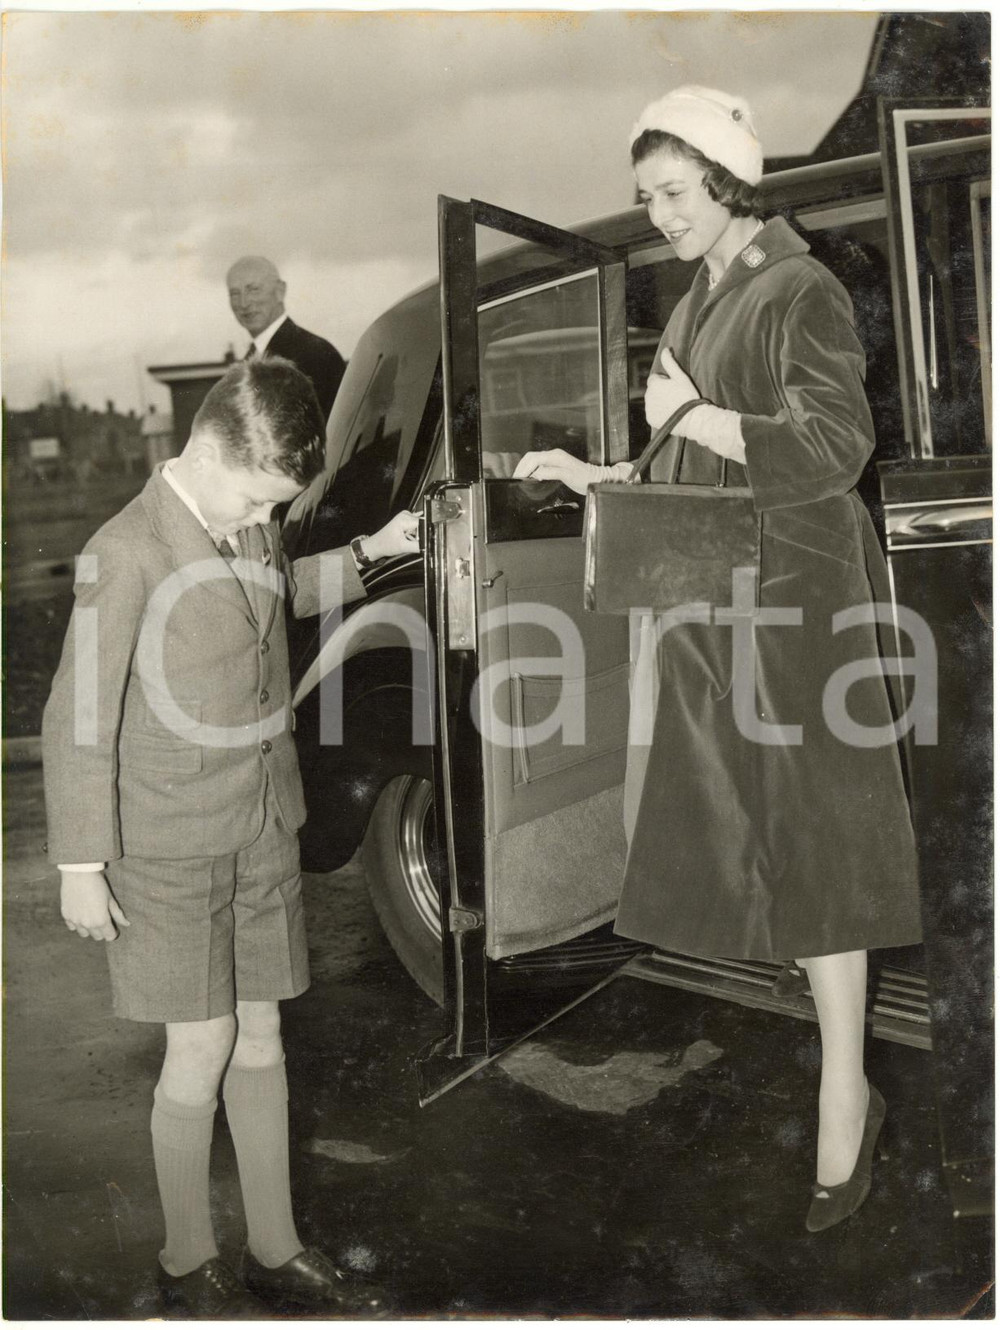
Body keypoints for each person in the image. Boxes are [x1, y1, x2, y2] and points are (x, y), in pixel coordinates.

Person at [513, 86, 922, 1233]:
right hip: (720, 613)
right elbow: (693, 468)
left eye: (673, 193)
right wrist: (594, 473)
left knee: (819, 858)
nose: (657, 216)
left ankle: (847, 1097)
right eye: (644, 198)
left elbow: (835, 447)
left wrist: (689, 419)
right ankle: (842, 1081)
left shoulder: (800, 288)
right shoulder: (699, 300)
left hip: (795, 616)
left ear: (730, 182)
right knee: (772, 857)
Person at [42, 357, 418, 1315]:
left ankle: (276, 1247)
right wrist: (81, 863)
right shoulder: (125, 550)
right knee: (202, 1042)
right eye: (257, 497)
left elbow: (278, 589)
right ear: (210, 453)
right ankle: (182, 1256)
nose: (262, 520)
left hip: (259, 822)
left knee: (262, 1034)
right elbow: (75, 716)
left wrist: (379, 548)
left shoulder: (243, 519)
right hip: (166, 840)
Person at [227, 255, 347, 421]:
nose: (244, 303)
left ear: (280, 291)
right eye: (234, 294)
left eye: (253, 289)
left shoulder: (316, 355)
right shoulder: (247, 362)